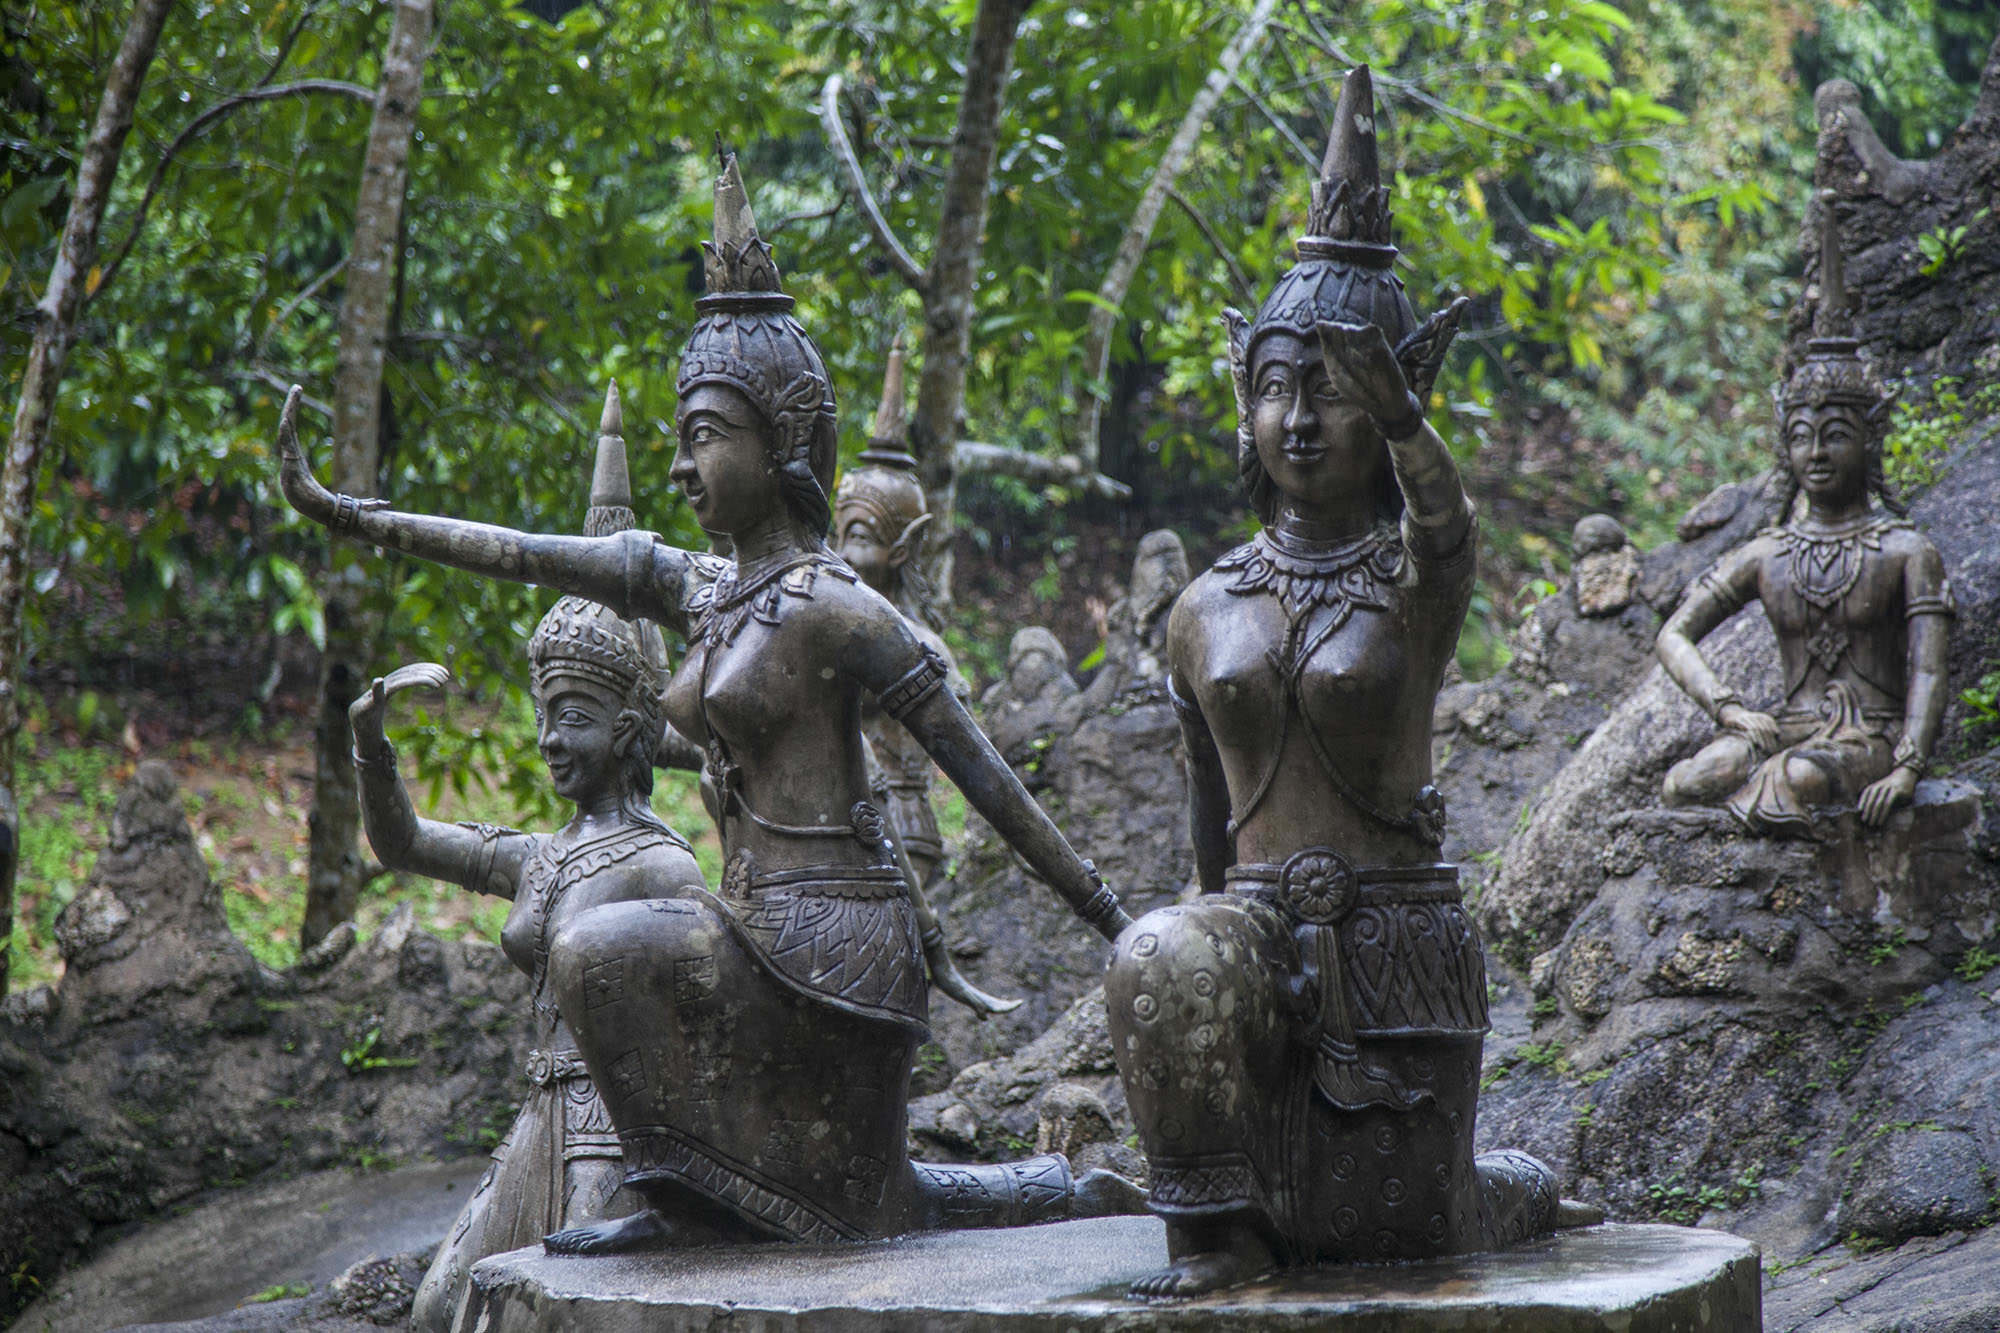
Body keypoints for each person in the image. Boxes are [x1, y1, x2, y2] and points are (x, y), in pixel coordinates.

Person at [274, 148, 1136, 1253]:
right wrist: (365, 518)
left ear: (781, 444)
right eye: (678, 438)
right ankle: (684, 1192)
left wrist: (1112, 916)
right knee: (608, 955)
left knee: (859, 1193)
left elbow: (986, 778)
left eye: (703, 437)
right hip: (745, 929)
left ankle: (1038, 1192)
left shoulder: (838, 606)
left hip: (838, 951)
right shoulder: (707, 586)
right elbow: (533, 555)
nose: (684, 467)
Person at [1104, 68, 1569, 1299]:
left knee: (1413, 1232)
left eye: (1332, 390)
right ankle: (1217, 1239)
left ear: (1387, 401)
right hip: (1253, 958)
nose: (1297, 418)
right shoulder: (1202, 607)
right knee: (1162, 948)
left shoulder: (1413, 584)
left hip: (1394, 964)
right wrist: (1197, 977)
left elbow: (1450, 533)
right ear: (1240, 401)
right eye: (1273, 384)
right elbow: (1207, 826)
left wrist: (1411, 431)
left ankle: (1515, 1186)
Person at [355, 389, 707, 1329]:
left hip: (616, 1140)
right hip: (535, 1127)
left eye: (575, 717)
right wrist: (371, 745)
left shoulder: (666, 867)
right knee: (440, 1311)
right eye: (544, 713)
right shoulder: (542, 857)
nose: (548, 738)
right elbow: (403, 842)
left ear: (632, 727)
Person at [1657, 200, 1953, 835]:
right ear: (1784, 446)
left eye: (1836, 435)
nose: (1816, 453)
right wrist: (1731, 708)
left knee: (1800, 779)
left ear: (1869, 442)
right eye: (1801, 436)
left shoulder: (1905, 551)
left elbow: (1929, 668)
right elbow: (1673, 635)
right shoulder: (1769, 553)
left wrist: (1907, 766)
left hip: (1868, 738)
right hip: (1786, 728)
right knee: (1688, 782)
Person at [833, 336, 1019, 1017]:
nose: (844, 555)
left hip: (902, 829)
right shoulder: (837, 628)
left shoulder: (913, 646)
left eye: (860, 537)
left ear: (904, 549)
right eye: (839, 534)